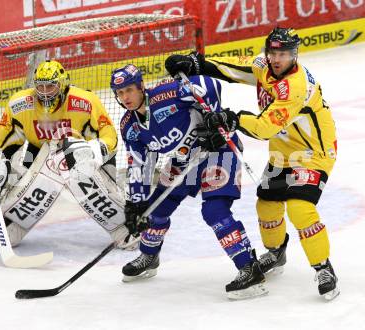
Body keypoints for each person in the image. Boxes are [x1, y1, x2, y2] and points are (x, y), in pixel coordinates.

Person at [165, 27, 339, 300]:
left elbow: (265, 127)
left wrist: (232, 119)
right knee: (267, 205)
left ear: (295, 54)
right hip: (282, 153)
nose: (277, 58)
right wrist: (196, 62)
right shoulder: (264, 65)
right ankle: (276, 252)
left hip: (313, 153)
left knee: (299, 208)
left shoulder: (296, 87)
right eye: (273, 52)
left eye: (284, 54)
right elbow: (233, 68)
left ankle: (323, 267)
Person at [110, 64, 267, 300]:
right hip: (184, 160)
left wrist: (214, 119)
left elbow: (209, 84)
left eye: (129, 90)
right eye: (120, 93)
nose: (125, 97)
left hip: (218, 150)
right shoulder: (130, 128)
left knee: (215, 211)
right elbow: (139, 165)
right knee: (154, 209)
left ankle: (249, 268)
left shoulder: (166, 94)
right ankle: (149, 256)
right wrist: (136, 204)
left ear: (141, 86)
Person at [0, 59, 135, 249]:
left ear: (61, 85)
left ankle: (125, 225)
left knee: (74, 161)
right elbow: (0, 140)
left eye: (50, 86)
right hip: (40, 152)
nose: (44, 92)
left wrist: (97, 149)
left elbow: (109, 135)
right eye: (40, 87)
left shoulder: (85, 101)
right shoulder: (20, 104)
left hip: (84, 156)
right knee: (18, 196)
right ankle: (12, 222)